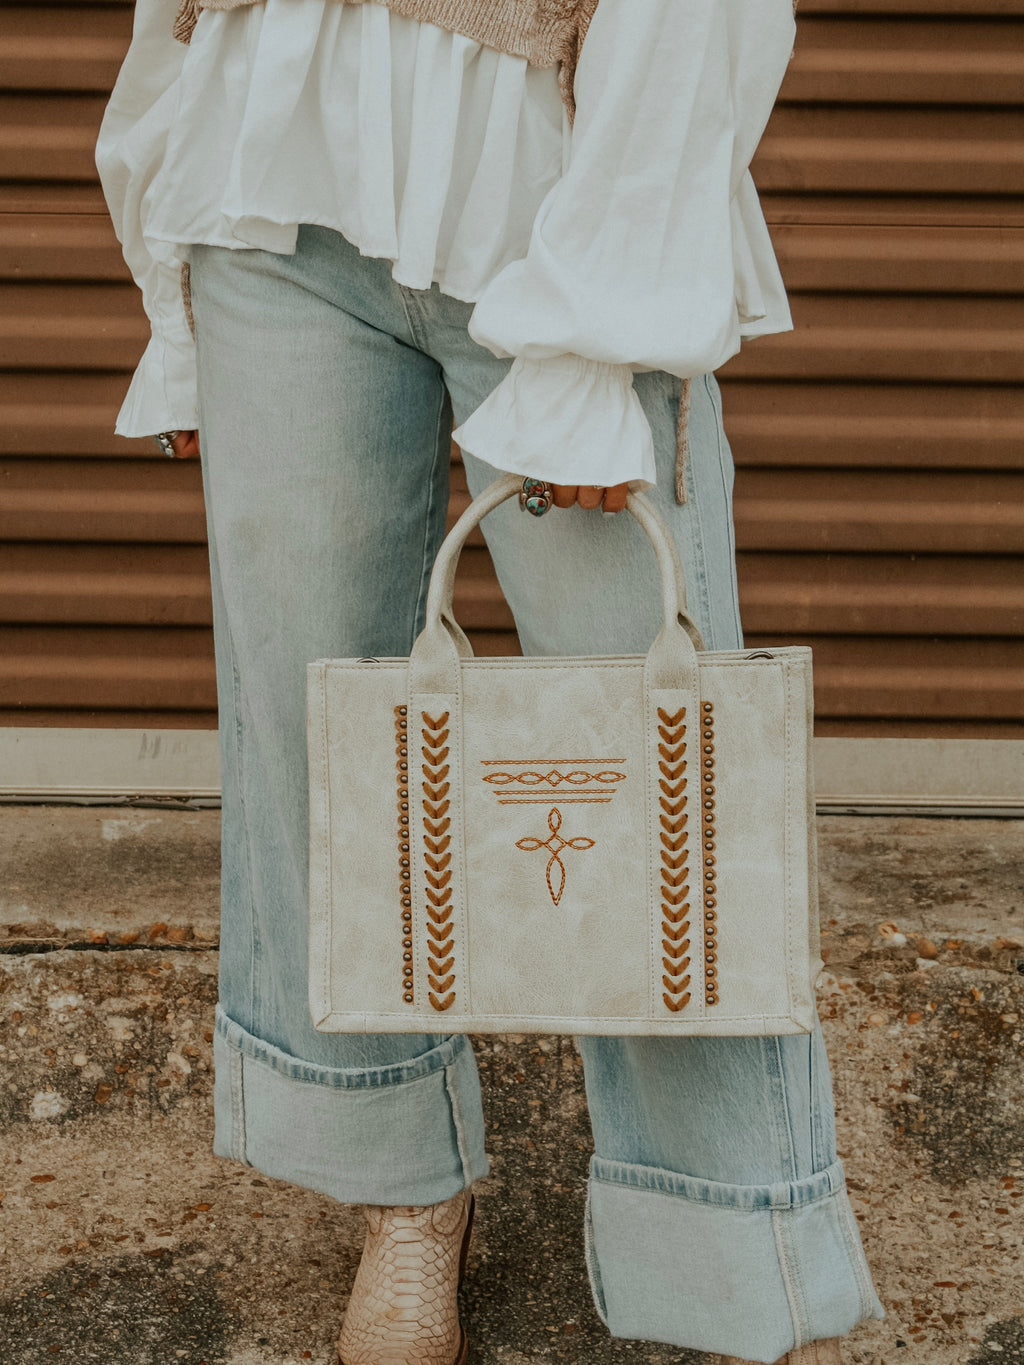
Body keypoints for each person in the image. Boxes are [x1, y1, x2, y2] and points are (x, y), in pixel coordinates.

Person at [97, 1, 883, 1361]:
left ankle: (724, 1242)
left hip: (551, 185)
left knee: (656, 752)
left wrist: (595, 336)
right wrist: (166, 239)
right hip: (273, 194)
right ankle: (403, 1185)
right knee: (313, 723)